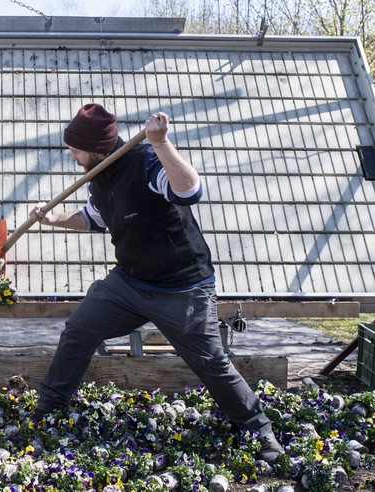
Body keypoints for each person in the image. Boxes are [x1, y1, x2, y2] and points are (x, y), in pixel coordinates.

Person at [28, 103, 284, 463]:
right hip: (130, 282)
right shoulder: (98, 175)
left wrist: (162, 144)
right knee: (79, 330)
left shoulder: (146, 162)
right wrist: (54, 218)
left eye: (75, 149)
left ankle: (259, 428)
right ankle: (47, 410)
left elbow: (190, 191)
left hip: (183, 287)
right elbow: (93, 218)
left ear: (98, 147)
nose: (71, 155)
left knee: (210, 362)